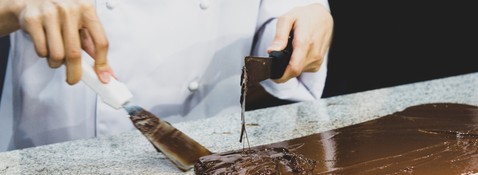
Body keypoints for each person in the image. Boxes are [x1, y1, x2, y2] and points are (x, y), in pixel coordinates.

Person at [0, 0, 333, 151]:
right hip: (53, 152)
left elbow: (279, 23)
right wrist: (17, 7)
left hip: (207, 147)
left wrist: (309, 17)